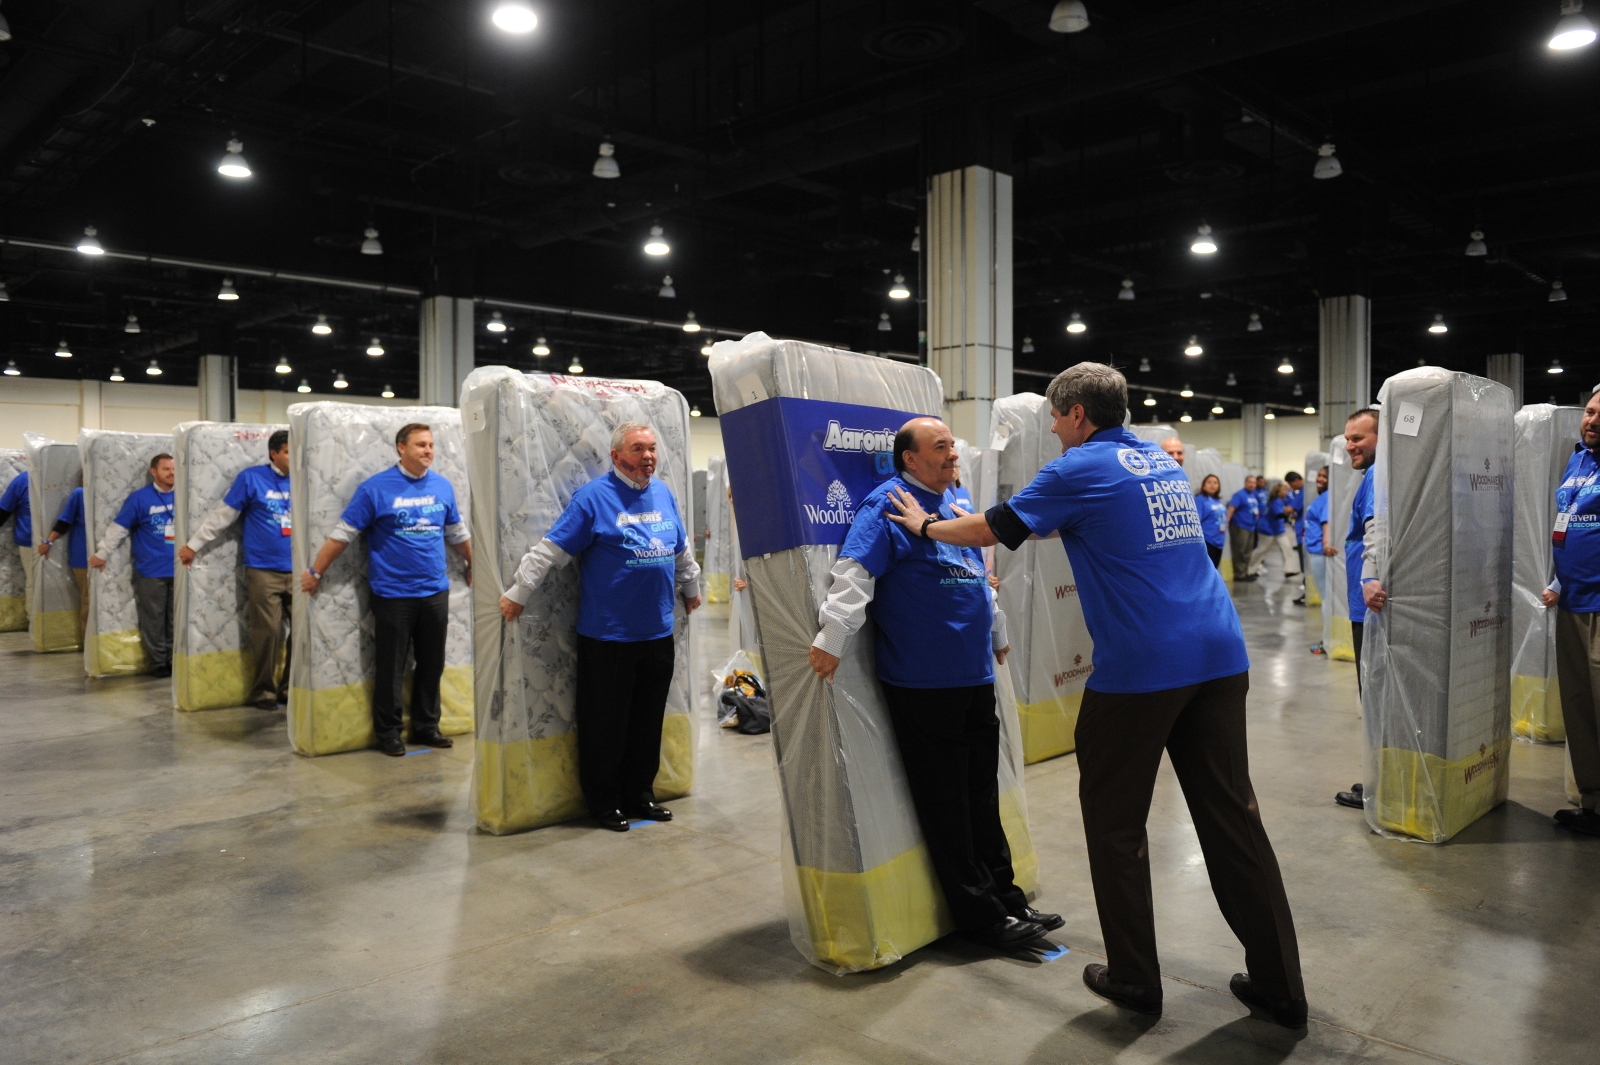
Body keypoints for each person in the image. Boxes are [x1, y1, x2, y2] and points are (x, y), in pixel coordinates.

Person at [886, 362, 1306, 1028]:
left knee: (1115, 824)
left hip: (1142, 668)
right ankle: (1281, 984)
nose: (1052, 428)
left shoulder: (1075, 468)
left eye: (1056, 417)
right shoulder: (1155, 462)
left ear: (1078, 414)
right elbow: (1091, 523)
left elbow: (995, 526)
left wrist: (925, 526)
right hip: (1220, 654)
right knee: (1234, 817)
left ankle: (1136, 977)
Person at [807, 415, 1061, 952]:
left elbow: (976, 577)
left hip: (973, 675)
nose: (952, 455)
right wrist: (831, 640)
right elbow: (854, 574)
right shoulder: (889, 506)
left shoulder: (957, 503)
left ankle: (1008, 899)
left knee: (980, 793)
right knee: (948, 804)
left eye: (952, 446)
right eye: (939, 447)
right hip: (924, 682)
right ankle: (981, 917)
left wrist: (997, 633)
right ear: (910, 459)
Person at [498, 422, 701, 830]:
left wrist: (692, 588)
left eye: (652, 449)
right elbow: (549, 550)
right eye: (638, 449)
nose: (648, 456)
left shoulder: (663, 494)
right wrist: (517, 594)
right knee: (604, 726)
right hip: (608, 638)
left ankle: (640, 795)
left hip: (657, 634)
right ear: (617, 456)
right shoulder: (593, 499)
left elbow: (680, 550)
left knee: (646, 724)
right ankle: (604, 804)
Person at [303, 424, 472, 756]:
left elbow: (456, 531)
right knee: (391, 666)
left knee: (431, 663)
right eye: (420, 445)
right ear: (401, 448)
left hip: (435, 592)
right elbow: (343, 533)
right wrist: (316, 571)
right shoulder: (375, 489)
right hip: (393, 593)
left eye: (431, 445)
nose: (428, 451)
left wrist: (472, 562)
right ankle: (389, 733)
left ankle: (427, 727)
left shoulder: (442, 487)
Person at [178, 430, 293, 711]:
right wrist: (194, 545)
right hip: (264, 569)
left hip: (301, 569)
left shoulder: (306, 480)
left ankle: (290, 689)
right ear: (274, 453)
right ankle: (263, 691)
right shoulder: (251, 478)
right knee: (268, 631)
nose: (295, 457)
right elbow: (223, 515)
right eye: (289, 451)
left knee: (302, 632)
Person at [1538, 385, 1600, 837]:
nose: (1592, 420)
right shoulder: (1578, 460)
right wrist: (1560, 580)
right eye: (1591, 411)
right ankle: (1592, 804)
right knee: (1578, 706)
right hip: (1572, 603)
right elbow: (1570, 524)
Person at [90, 454, 177, 678]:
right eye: (166, 469)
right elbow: (119, 527)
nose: (171, 473)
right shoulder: (140, 498)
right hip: (151, 571)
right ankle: (158, 662)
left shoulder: (185, 497)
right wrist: (103, 552)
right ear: (154, 472)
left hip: (180, 569)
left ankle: (174, 660)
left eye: (174, 469)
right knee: (154, 619)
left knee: (175, 619)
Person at [1333, 409, 1379, 810]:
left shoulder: (1379, 477)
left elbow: (1375, 531)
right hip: (1360, 603)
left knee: (1376, 696)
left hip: (1369, 607)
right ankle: (1381, 780)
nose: (1350, 446)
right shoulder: (1371, 477)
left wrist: (1369, 580)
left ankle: (1381, 786)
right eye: (1348, 438)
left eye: (1358, 439)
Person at [39, 486, 88, 637]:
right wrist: (48, 543)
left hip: (104, 557)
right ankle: (88, 642)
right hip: (82, 557)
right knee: (88, 600)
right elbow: (64, 522)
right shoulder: (80, 494)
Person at [1293, 467, 1331, 617]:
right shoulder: (1323, 497)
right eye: (1319, 475)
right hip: (1316, 552)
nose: (1320, 479)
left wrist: (1326, 544)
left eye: (1325, 477)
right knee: (1325, 597)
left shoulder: (1328, 497)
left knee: (1326, 597)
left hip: (1320, 554)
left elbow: (1326, 522)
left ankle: (1328, 639)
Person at [0, 467, 33, 610]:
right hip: (30, 542)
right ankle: (35, 621)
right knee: (35, 583)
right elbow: (3, 511)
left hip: (59, 541)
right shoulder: (23, 480)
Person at [1252, 483, 1300, 580]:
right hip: (1268, 530)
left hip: (1279, 529)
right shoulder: (1275, 502)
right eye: (1283, 490)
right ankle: (1251, 569)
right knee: (1261, 550)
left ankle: (1288, 570)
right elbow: (1279, 515)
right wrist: (1290, 513)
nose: (1285, 492)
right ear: (1277, 492)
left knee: (1287, 549)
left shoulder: (1282, 501)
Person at [1226, 475, 1261, 582]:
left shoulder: (1253, 495)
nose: (1252, 485)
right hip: (1240, 526)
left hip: (1251, 527)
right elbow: (1231, 509)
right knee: (1240, 551)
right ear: (1245, 483)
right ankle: (1239, 574)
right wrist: (1226, 522)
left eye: (1254, 483)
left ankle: (1245, 572)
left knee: (1248, 551)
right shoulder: (1239, 495)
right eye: (1249, 482)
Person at [1195, 474, 1228, 570]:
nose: (1212, 485)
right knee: (1207, 570)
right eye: (1209, 482)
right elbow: (1196, 521)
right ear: (1203, 486)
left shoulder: (1217, 500)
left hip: (1219, 541)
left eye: (1215, 483)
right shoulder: (1200, 500)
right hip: (1208, 541)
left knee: (1215, 569)